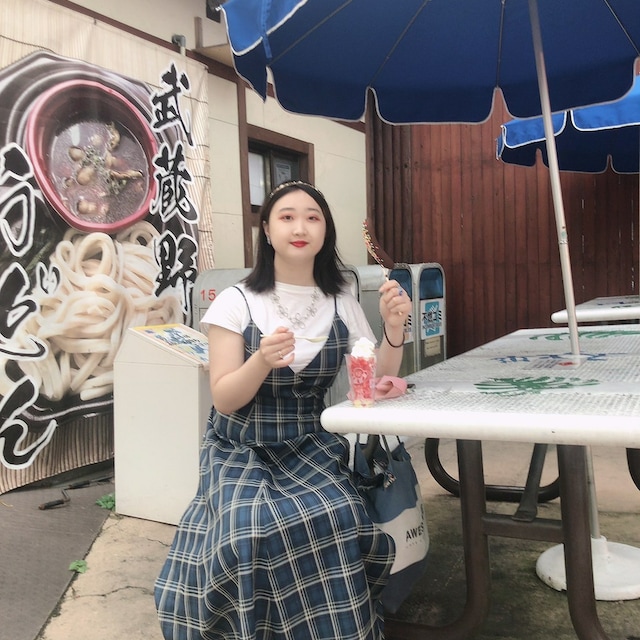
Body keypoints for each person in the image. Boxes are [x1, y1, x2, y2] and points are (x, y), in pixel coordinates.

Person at [154, 180, 412, 640]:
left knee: (337, 515)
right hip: (240, 446)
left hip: (310, 443)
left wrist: (395, 327)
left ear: (325, 232)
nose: (300, 227)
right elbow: (224, 398)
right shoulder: (235, 301)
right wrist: (260, 361)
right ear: (268, 232)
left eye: (313, 217)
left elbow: (373, 380)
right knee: (247, 530)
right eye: (287, 217)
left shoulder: (342, 301)